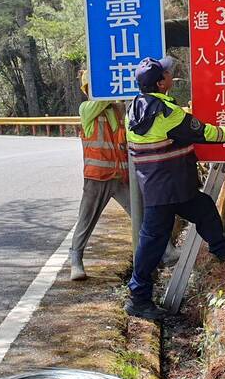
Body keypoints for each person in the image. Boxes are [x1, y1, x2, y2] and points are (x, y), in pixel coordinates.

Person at [124, 56, 225, 320]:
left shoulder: (134, 109)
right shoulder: (167, 113)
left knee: (205, 209)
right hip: (168, 188)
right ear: (161, 83)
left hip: (161, 186)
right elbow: (203, 132)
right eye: (166, 73)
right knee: (153, 241)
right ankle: (138, 298)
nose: (171, 75)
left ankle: (224, 252)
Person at [69, 71, 177, 280]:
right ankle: (76, 260)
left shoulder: (120, 110)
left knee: (145, 214)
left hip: (120, 177)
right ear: (88, 90)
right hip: (97, 178)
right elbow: (102, 101)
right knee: (86, 220)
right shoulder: (88, 109)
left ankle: (167, 251)